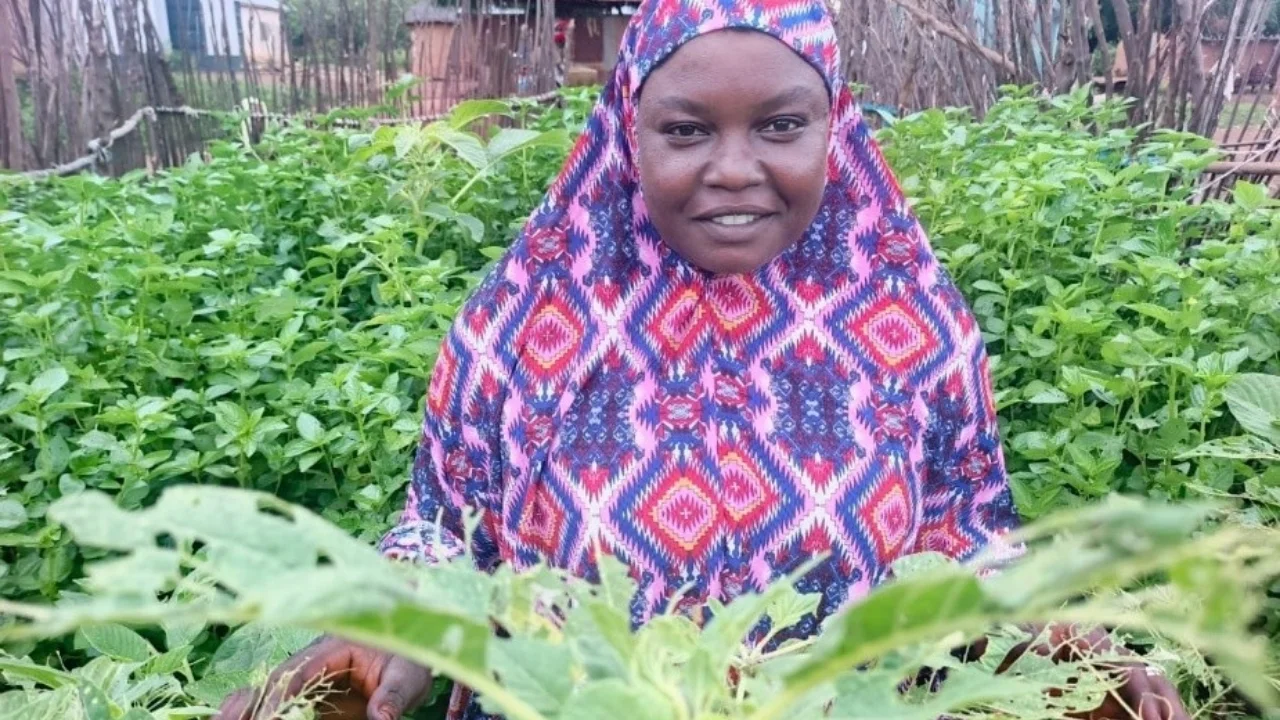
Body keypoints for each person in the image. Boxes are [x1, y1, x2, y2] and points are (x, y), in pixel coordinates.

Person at [215, 1, 1191, 719]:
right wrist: (384, 625)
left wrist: (1068, 644)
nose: (733, 168)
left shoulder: (918, 336)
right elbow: (442, 534)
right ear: (625, 133)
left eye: (778, 125)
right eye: (686, 129)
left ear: (834, 129)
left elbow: (967, 547)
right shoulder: (519, 335)